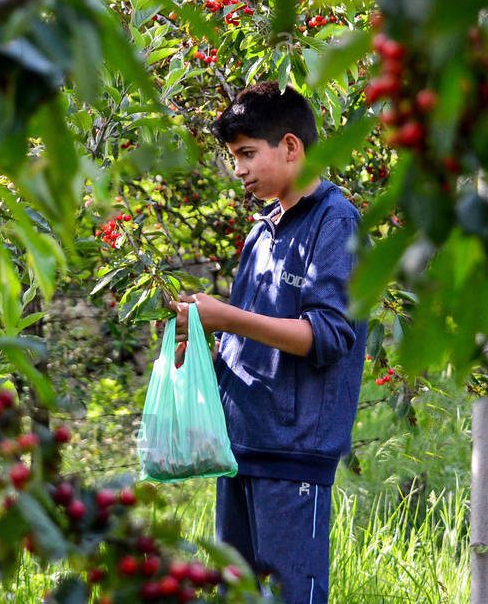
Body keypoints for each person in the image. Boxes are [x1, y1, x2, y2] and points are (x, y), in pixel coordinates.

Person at [168, 81, 366, 604]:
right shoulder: (262, 231)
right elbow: (250, 327)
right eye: (234, 157)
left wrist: (227, 318)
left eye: (247, 154)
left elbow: (326, 335)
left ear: (291, 146)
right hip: (241, 447)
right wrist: (204, 343)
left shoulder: (335, 221)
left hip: (293, 452)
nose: (239, 170)